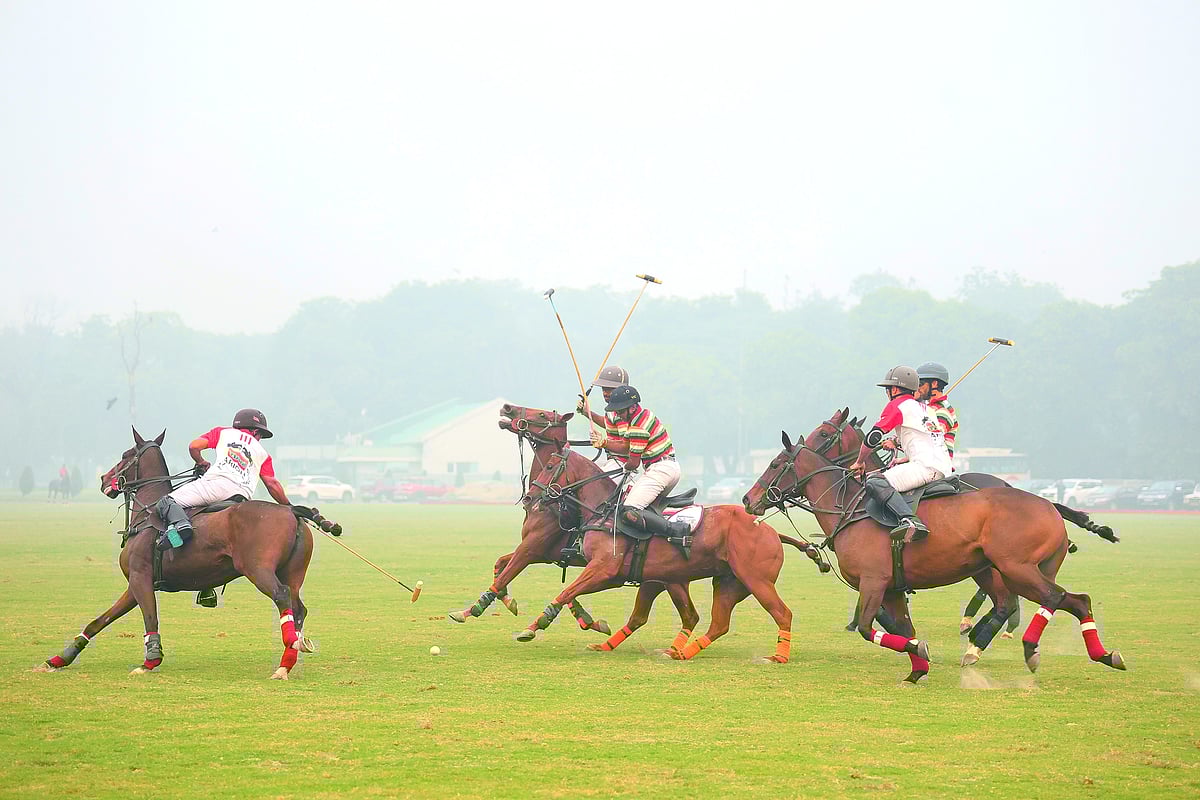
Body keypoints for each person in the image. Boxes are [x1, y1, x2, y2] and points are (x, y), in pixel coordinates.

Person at [154, 408, 290, 550]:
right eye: (260, 435)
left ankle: (181, 529)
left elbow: (194, 446)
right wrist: (288, 505)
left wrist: (201, 461)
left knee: (166, 502)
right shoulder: (264, 454)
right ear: (254, 431)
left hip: (216, 486)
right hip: (243, 495)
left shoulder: (222, 433)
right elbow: (272, 484)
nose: (259, 439)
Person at [849, 366, 952, 542]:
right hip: (943, 468)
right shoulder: (928, 410)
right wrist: (903, 458)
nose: (887, 393)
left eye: (887, 389)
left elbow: (873, 437)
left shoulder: (897, 405)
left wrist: (860, 462)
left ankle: (909, 521)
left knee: (875, 481)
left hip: (924, 468)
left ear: (894, 389)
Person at [590, 384, 688, 538]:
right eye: (616, 411)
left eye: (621, 411)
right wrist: (603, 443)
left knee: (629, 510)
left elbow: (633, 462)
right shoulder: (644, 414)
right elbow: (626, 446)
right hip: (667, 468)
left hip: (660, 470)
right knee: (644, 508)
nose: (618, 415)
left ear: (633, 407)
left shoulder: (637, 426)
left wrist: (622, 469)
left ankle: (676, 530)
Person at [915, 361, 958, 462]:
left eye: (920, 384)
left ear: (934, 383)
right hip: (924, 461)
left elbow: (931, 439)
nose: (918, 388)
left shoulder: (943, 411)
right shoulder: (928, 408)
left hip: (937, 464)